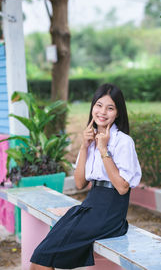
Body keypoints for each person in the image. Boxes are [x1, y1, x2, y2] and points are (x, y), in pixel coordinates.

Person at [30, 83, 142, 270]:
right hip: (89, 207)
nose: (102, 112)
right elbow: (80, 183)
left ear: (118, 113)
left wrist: (103, 149)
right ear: (92, 107)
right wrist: (84, 146)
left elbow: (123, 188)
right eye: (98, 105)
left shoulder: (123, 142)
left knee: (42, 259)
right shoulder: (90, 140)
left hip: (109, 214)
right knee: (40, 258)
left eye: (110, 107)